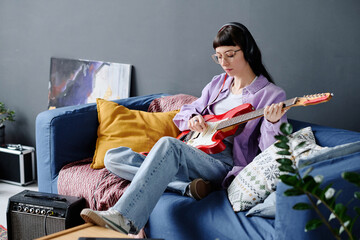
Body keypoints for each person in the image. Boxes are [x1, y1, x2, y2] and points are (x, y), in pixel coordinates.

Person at [80, 22, 287, 235]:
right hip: (193, 149)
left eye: (230, 55)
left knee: (169, 145)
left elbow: (271, 149)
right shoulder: (219, 83)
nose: (224, 62)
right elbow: (185, 112)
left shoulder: (270, 95)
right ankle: (187, 188)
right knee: (113, 157)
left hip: (221, 163)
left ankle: (123, 218)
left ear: (248, 51)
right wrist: (194, 118)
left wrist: (272, 123)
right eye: (218, 56)